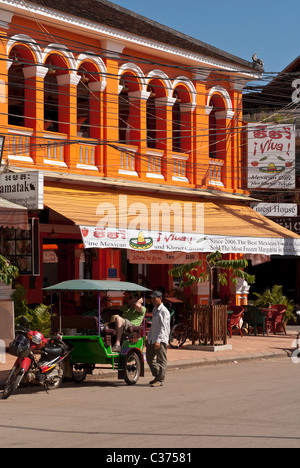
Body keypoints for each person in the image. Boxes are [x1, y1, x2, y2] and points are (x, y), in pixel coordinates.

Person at [146, 291, 170, 387]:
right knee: (149, 358)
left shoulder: (164, 311)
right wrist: (149, 337)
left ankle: (160, 380)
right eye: (151, 298)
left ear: (159, 298)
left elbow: (163, 327)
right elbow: (153, 326)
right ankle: (157, 375)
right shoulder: (155, 310)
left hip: (161, 339)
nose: (152, 300)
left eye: (154, 298)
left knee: (161, 360)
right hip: (153, 338)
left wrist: (158, 341)